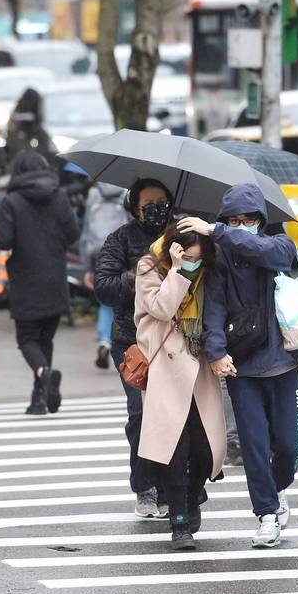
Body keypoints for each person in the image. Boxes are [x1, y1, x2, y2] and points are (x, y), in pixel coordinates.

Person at [186, 182, 298, 549]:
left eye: (248, 219)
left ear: (261, 220)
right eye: (233, 220)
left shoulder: (280, 246)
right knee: (253, 444)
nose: (241, 225)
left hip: (283, 362)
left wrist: (219, 231)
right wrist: (217, 352)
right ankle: (266, 514)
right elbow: (215, 308)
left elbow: (262, 250)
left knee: (289, 445)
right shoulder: (220, 258)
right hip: (243, 368)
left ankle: (278, 486)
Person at [134, 223, 226, 550]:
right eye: (186, 256)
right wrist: (176, 271)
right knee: (175, 448)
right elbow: (161, 308)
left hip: (199, 364)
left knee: (205, 448)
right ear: (173, 249)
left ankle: (192, 492)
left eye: (196, 259)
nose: (192, 263)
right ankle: (179, 523)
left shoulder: (210, 272)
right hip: (165, 368)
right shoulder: (149, 267)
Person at [94, 177, 173, 518]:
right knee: (140, 414)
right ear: (135, 207)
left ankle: (175, 488)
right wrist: (141, 275)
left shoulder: (181, 234)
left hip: (176, 341)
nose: (158, 211)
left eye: (163, 203)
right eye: (150, 205)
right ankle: (145, 486)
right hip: (132, 342)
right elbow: (104, 287)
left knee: (173, 416)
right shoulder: (120, 239)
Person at [0, 150, 79, 415]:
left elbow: (3, 241)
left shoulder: (12, 201)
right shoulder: (60, 197)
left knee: (27, 338)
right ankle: (39, 398)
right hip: (55, 277)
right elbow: (73, 234)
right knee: (45, 339)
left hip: (26, 280)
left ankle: (44, 375)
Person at [79, 182, 130, 369]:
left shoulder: (93, 193)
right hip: (121, 250)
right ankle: (124, 346)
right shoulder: (127, 192)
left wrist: (87, 267)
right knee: (124, 298)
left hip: (96, 251)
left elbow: (85, 232)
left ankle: (104, 341)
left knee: (105, 299)